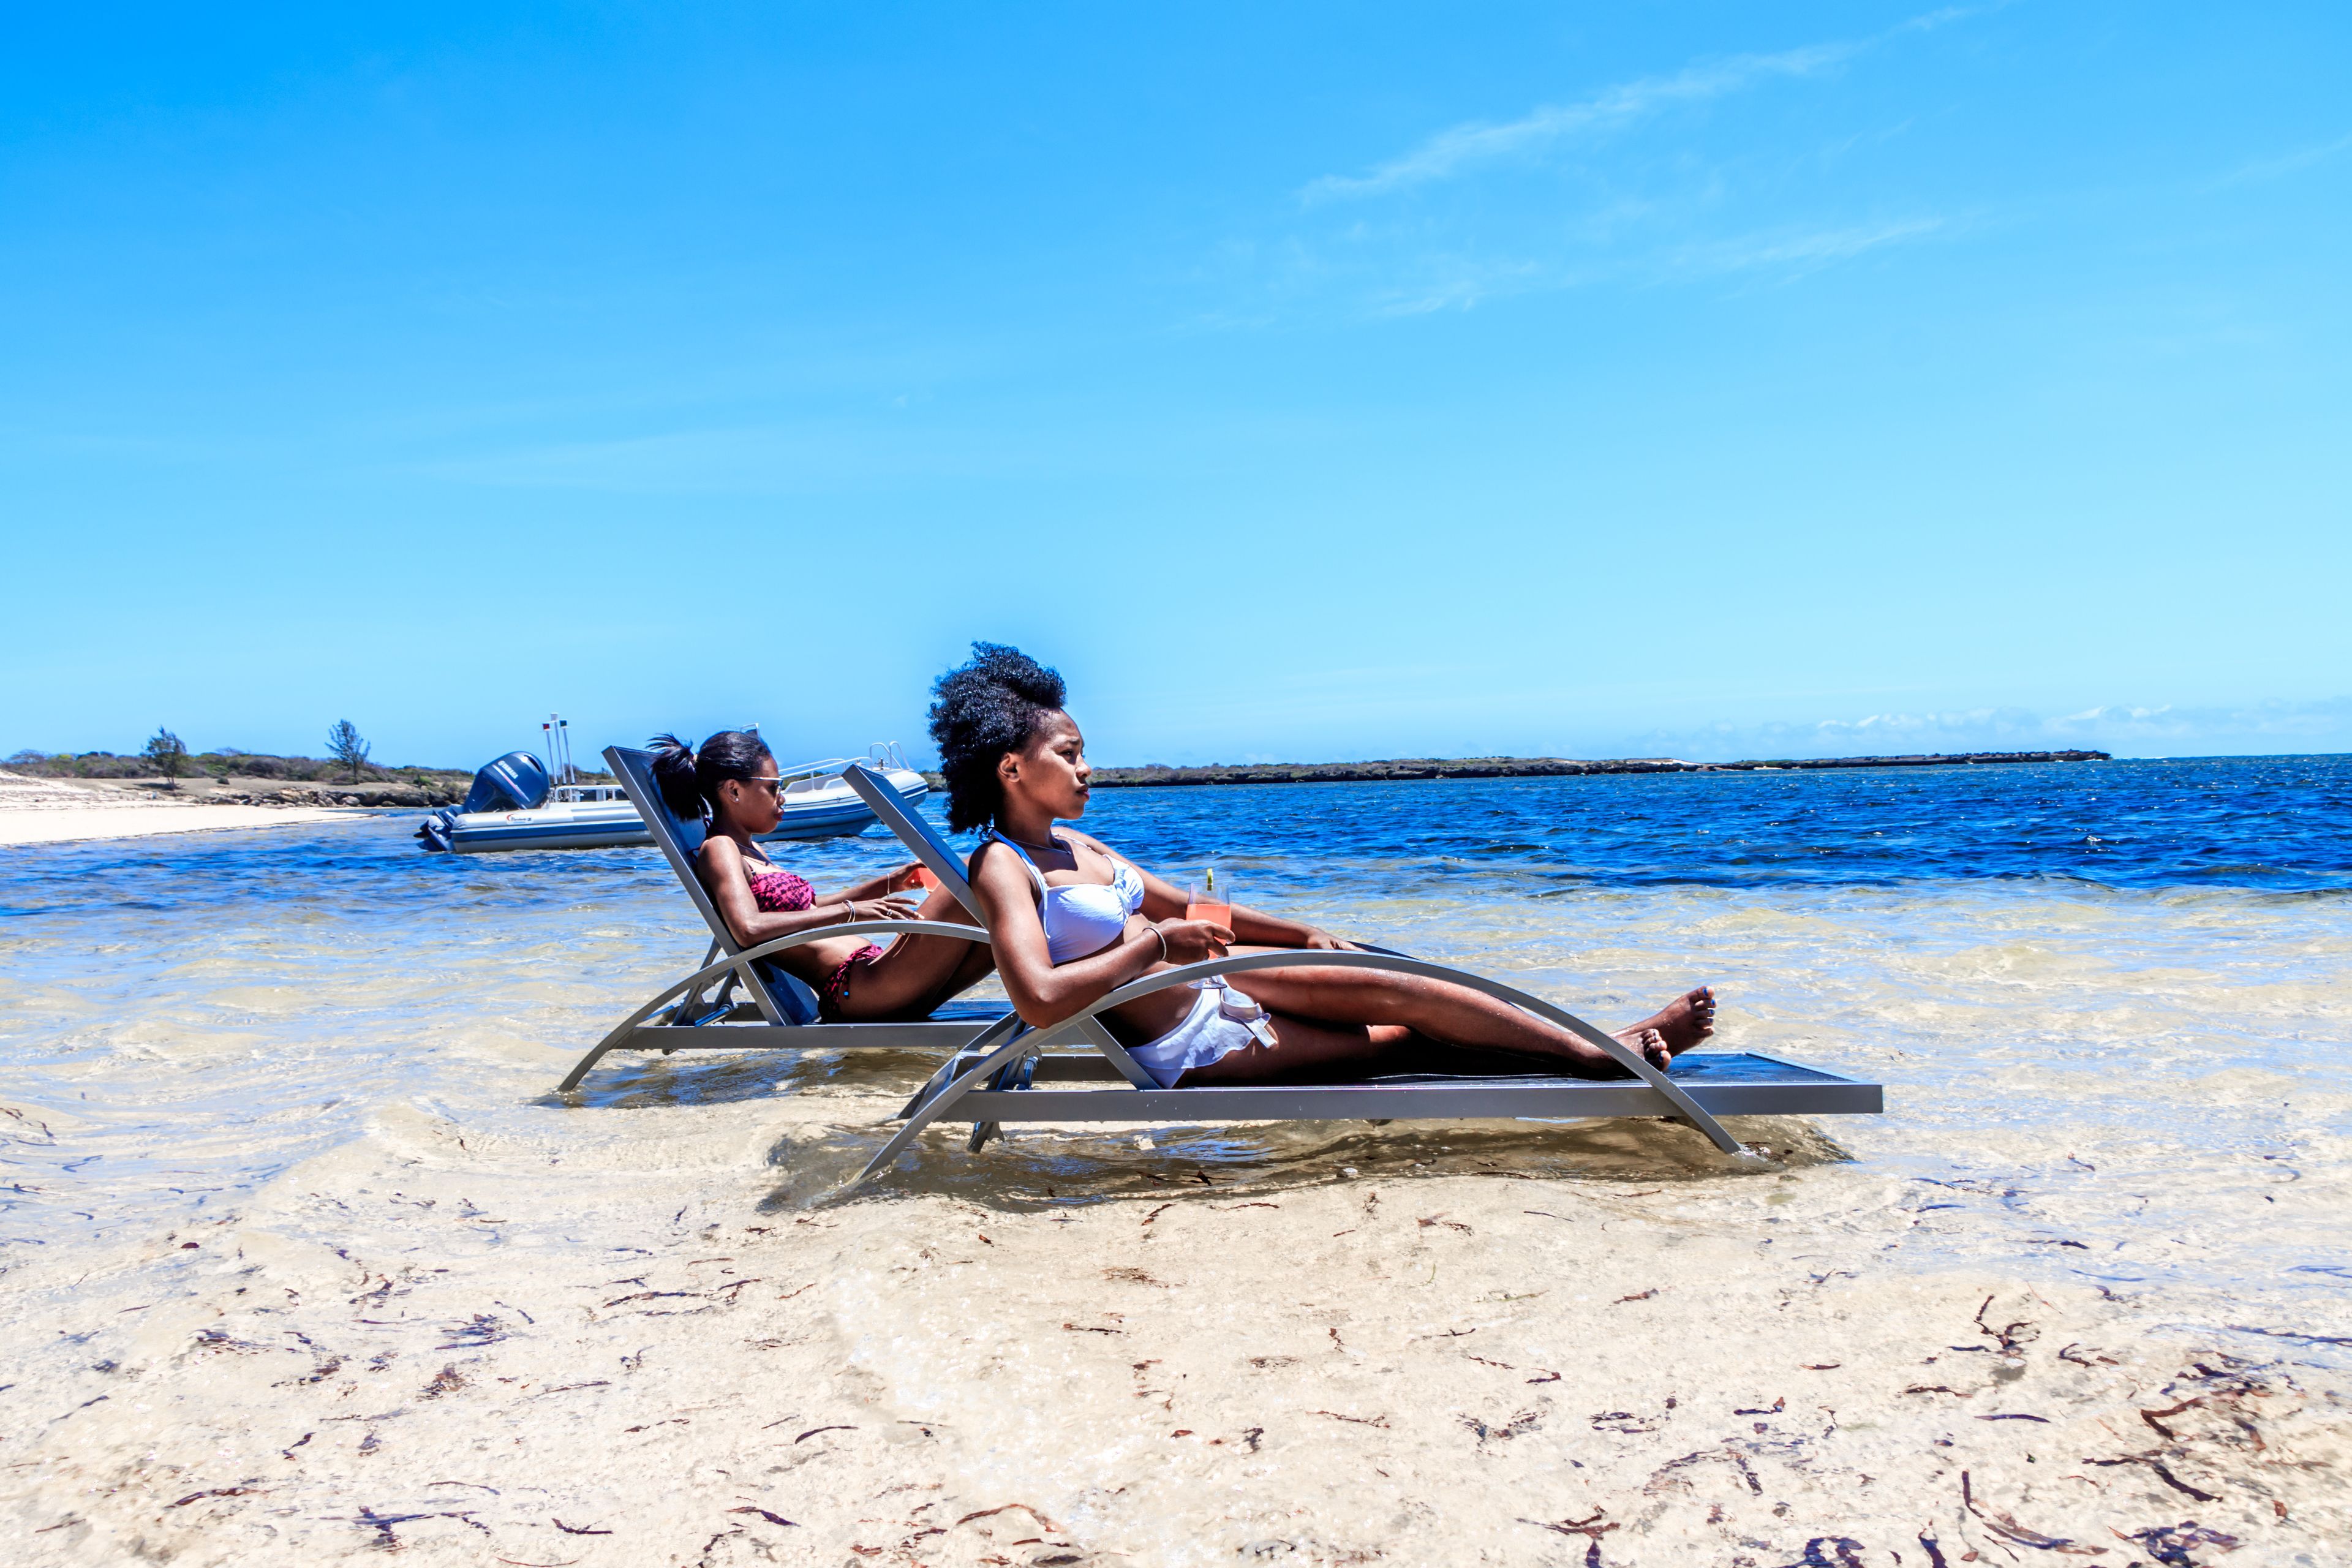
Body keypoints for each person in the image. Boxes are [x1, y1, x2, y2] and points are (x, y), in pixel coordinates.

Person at [927, 644, 1717, 1088]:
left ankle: (1600, 1042)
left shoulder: (1083, 847)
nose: (1087, 768)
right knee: (1403, 1037)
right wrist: (1154, 951)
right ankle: (1602, 1054)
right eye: (1069, 756)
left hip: (1221, 976)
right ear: (1010, 769)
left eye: (1085, 753)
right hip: (1191, 1033)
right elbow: (1035, 1000)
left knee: (1399, 979)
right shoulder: (1002, 865)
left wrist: (1302, 931)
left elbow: (1187, 909)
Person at [650, 731, 993, 1020]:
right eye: (773, 786)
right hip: (858, 988)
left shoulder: (752, 852)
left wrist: (889, 882)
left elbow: (809, 909)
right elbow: (748, 929)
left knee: (999, 916)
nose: (781, 796)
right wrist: (852, 913)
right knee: (980, 872)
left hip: (874, 975)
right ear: (734, 791)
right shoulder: (720, 849)